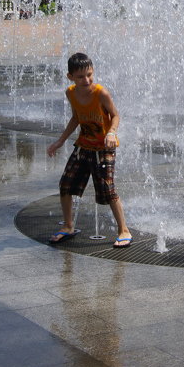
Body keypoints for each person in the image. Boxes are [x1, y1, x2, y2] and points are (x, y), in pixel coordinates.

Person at [47, 52, 132, 247]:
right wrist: (60, 141)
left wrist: (112, 133)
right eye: (80, 76)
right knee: (66, 185)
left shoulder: (100, 93)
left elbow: (115, 115)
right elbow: (76, 118)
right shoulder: (70, 93)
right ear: (71, 77)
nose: (86, 80)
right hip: (83, 147)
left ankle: (124, 230)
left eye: (89, 75)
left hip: (104, 148)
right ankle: (68, 226)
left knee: (108, 190)